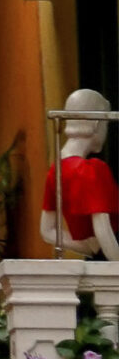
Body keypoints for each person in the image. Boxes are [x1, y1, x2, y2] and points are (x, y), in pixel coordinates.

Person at [41, 88, 119, 260]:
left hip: (99, 258)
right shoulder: (91, 169)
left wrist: (92, 250)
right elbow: (103, 230)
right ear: (96, 124)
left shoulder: (56, 171)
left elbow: (47, 231)